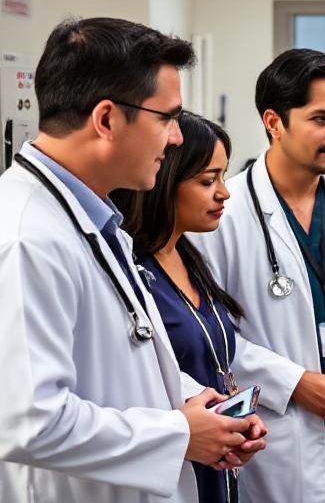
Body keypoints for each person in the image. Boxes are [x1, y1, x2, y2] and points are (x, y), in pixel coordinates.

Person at [0, 17, 266, 503]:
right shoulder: (26, 237)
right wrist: (178, 434)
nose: (177, 138)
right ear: (106, 119)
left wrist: (191, 401)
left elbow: (119, 359)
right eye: (166, 118)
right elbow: (29, 422)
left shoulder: (92, 218)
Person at [192, 48, 325, 503]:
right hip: (277, 429)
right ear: (273, 122)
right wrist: (292, 381)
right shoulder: (223, 213)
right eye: (322, 118)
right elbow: (209, 333)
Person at [113, 112, 258, 503]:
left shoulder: (190, 257)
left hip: (214, 462)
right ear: (164, 181)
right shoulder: (132, 271)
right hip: (168, 467)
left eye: (224, 177)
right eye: (208, 181)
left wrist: (233, 416)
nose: (224, 193)